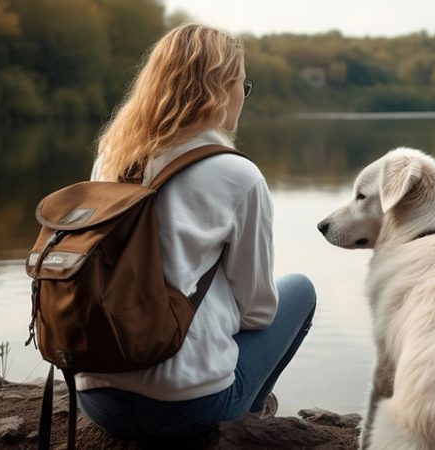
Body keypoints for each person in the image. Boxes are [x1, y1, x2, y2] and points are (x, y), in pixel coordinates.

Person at [75, 23, 317, 438]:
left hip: (98, 400)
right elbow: (259, 312)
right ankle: (248, 417)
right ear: (221, 90)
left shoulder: (112, 160)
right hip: (186, 409)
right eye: (244, 84)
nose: (244, 94)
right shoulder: (238, 175)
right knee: (300, 290)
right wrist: (207, 322)